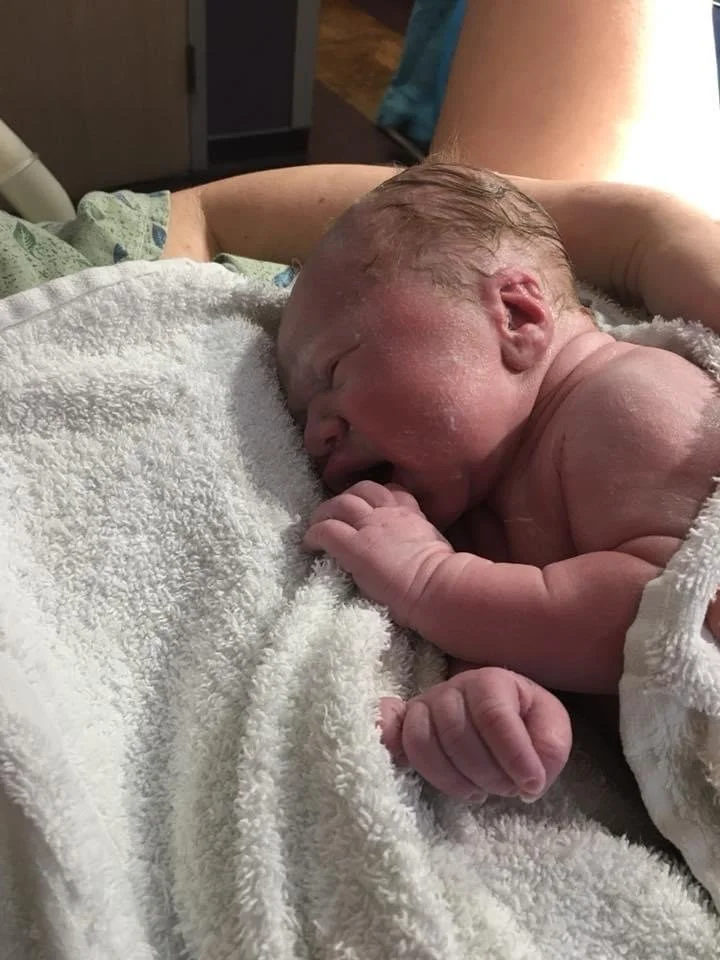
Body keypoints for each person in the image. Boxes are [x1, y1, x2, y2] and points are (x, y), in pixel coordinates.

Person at [276, 159, 720, 803]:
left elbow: (662, 619)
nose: (316, 432)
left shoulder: (628, 398)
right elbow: (542, 638)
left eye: (336, 371)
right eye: (301, 415)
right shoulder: (476, 501)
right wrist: (480, 699)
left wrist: (436, 582)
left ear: (516, 315)